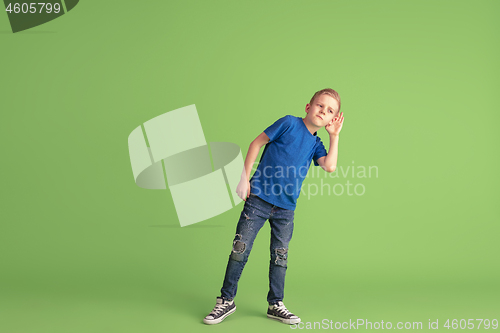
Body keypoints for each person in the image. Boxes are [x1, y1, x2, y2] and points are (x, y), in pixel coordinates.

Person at [203, 88, 344, 325]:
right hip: (258, 200)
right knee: (240, 250)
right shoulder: (289, 123)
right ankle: (226, 300)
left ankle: (275, 303)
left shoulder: (316, 144)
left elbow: (330, 166)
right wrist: (244, 178)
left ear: (332, 119)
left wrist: (335, 136)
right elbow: (256, 143)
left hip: (285, 209)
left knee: (280, 257)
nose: (323, 112)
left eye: (330, 111)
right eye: (320, 106)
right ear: (308, 107)